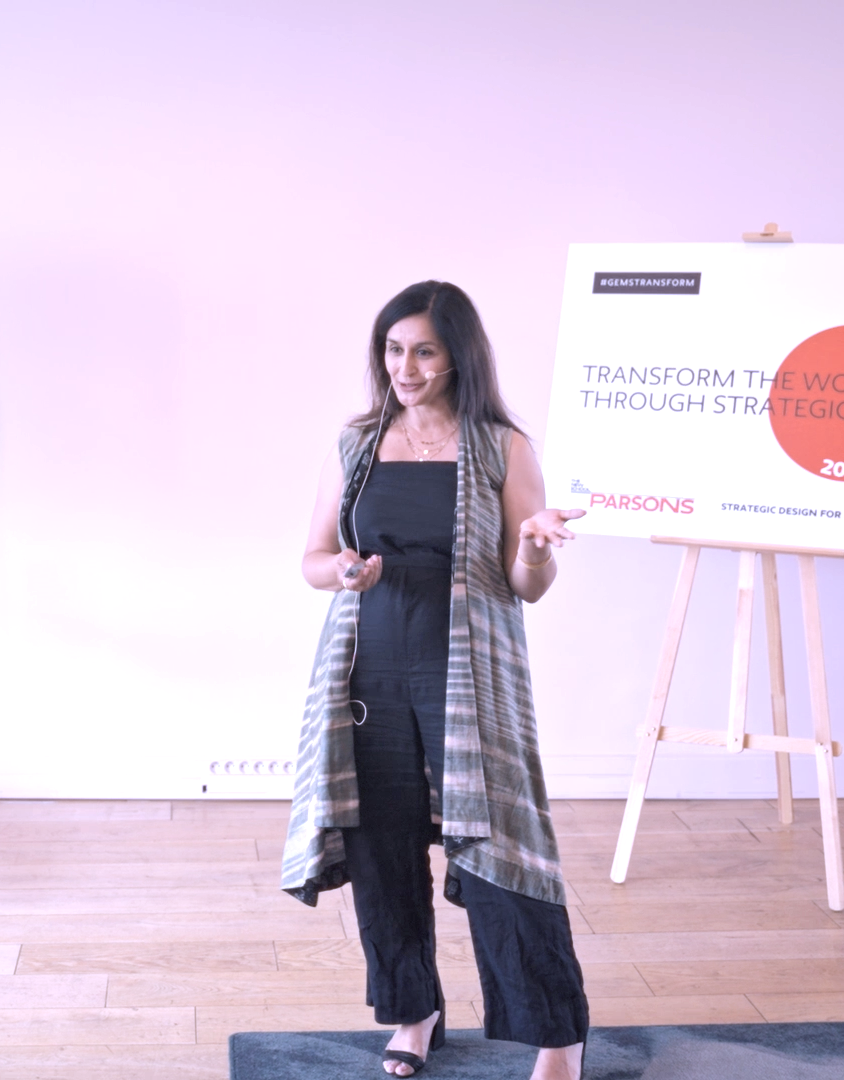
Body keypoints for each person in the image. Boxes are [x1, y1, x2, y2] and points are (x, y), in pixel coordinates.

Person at [281, 281, 588, 1080]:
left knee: (502, 851)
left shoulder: (500, 446)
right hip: (367, 665)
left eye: (423, 350)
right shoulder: (355, 443)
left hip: (469, 671)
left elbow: (526, 584)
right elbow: (313, 558)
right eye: (393, 349)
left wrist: (536, 545)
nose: (405, 367)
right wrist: (341, 568)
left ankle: (557, 1038)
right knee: (380, 851)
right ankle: (414, 1014)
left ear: (457, 356)